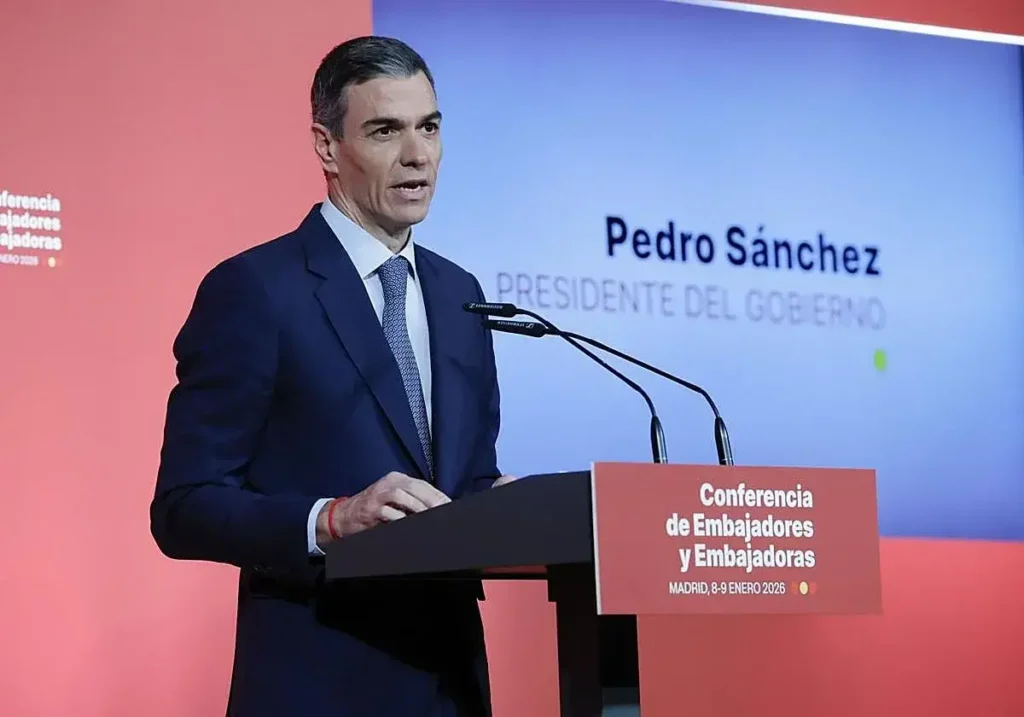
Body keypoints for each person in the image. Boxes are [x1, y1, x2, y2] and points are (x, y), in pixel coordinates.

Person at [150, 35, 513, 717]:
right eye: (385, 131)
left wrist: (510, 502)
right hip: (317, 683)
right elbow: (183, 506)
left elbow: (464, 483)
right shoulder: (257, 290)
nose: (418, 156)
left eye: (429, 127)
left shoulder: (461, 296)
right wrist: (331, 519)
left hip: (450, 688)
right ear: (326, 147)